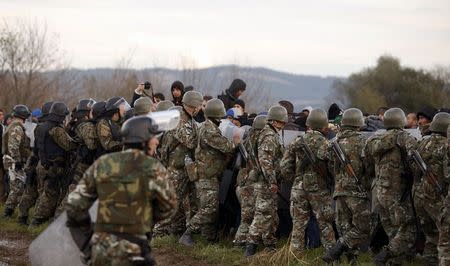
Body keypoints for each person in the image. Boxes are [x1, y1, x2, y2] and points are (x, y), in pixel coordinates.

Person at [66, 115, 177, 266]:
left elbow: (74, 206)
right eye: (153, 137)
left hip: (100, 250)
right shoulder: (153, 167)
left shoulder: (103, 163)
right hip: (134, 250)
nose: (157, 141)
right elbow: (169, 208)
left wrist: (88, 243)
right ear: (144, 140)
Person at [179, 99, 239, 246]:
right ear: (218, 115)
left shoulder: (205, 126)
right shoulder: (210, 130)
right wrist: (236, 142)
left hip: (208, 174)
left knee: (210, 209)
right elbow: (227, 146)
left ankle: (209, 239)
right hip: (207, 176)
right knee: (208, 209)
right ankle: (188, 234)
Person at [365, 108, 418, 265]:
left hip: (380, 192)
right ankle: (385, 255)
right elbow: (416, 163)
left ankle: (394, 261)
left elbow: (367, 165)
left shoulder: (375, 140)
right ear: (401, 121)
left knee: (392, 230)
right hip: (398, 193)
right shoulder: (405, 138)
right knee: (407, 230)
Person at [280, 109, 335, 253]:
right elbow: (333, 168)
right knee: (325, 224)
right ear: (324, 126)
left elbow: (284, 166)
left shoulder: (297, 141)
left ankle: (295, 256)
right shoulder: (327, 144)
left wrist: (295, 178)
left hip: (299, 187)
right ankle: (331, 256)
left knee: (298, 224)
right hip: (319, 189)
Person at [322, 108, 371, 264]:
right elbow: (369, 167)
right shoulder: (364, 141)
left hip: (339, 191)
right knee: (363, 227)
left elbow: (327, 162)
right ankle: (340, 246)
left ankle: (351, 259)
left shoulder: (334, 143)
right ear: (359, 124)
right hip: (358, 191)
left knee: (345, 227)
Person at [245, 105, 287, 256]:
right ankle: (250, 247)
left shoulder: (267, 133)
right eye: (282, 122)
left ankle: (270, 244)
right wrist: (272, 181)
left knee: (271, 214)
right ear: (276, 122)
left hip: (265, 181)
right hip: (266, 183)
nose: (283, 126)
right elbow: (265, 160)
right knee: (262, 214)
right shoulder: (269, 136)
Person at [162, 91, 203, 235]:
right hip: (175, 170)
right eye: (198, 106)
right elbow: (191, 142)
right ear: (193, 106)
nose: (199, 109)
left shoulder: (190, 119)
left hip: (185, 169)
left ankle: (176, 233)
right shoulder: (178, 119)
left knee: (183, 206)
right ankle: (156, 234)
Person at [30, 102, 77, 226]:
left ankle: (39, 219)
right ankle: (37, 220)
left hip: (43, 163)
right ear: (60, 116)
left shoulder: (42, 126)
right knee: (51, 193)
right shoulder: (56, 129)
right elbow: (68, 145)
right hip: (53, 166)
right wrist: (78, 141)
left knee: (44, 192)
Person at [412, 112, 450, 265]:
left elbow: (413, 169)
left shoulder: (421, 143)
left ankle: (429, 261)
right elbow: (447, 176)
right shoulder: (445, 145)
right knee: (443, 234)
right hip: (437, 196)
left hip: (420, 195)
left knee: (430, 235)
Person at [16, 101, 53, 225]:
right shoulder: (44, 127)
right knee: (37, 191)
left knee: (30, 191)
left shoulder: (39, 126)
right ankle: (34, 219)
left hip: (34, 160)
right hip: (37, 161)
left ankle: (23, 216)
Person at [233, 115, 267, 246]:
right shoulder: (260, 142)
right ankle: (241, 242)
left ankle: (240, 242)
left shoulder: (247, 140)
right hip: (250, 184)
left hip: (241, 183)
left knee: (246, 216)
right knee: (248, 217)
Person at [2, 105, 32, 218]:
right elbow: (13, 146)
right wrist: (18, 161)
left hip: (11, 160)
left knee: (17, 187)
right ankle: (7, 213)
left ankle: (9, 212)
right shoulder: (17, 127)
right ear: (23, 116)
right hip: (13, 161)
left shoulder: (13, 125)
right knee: (16, 188)